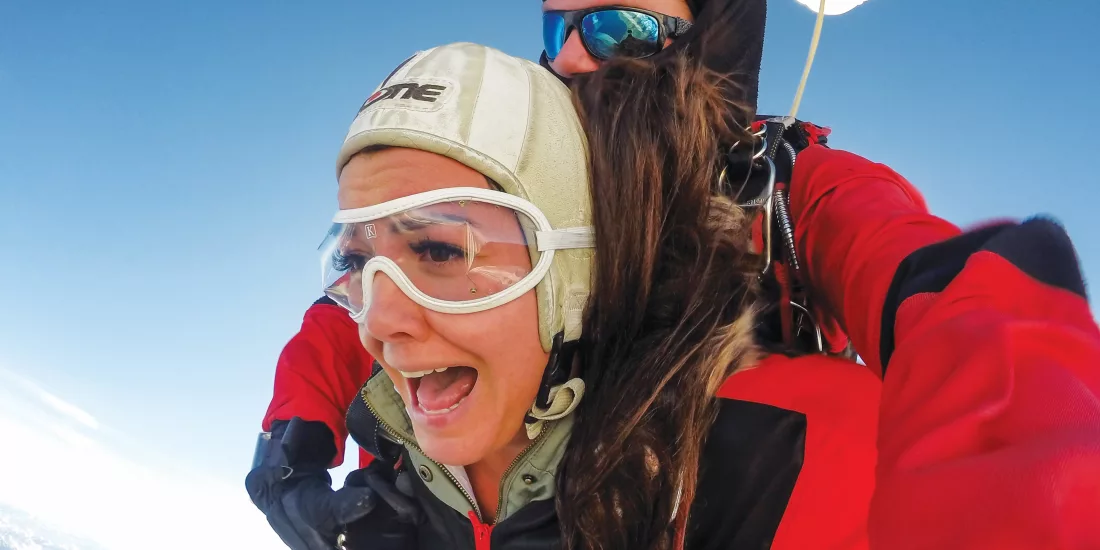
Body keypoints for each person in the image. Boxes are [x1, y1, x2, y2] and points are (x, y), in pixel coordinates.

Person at [323, 41, 880, 550]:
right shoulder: (389, 455)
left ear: (579, 264)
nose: (380, 321)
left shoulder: (797, 453)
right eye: (353, 262)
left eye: (443, 252)